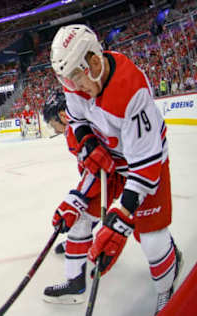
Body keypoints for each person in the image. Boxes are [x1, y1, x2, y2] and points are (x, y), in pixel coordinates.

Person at [50, 24, 182, 314]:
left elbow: (146, 168)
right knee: (81, 218)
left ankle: (166, 287)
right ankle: (75, 281)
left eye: (79, 81)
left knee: (151, 238)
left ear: (94, 62)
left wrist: (120, 220)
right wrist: (88, 144)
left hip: (145, 165)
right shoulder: (75, 78)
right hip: (110, 164)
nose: (77, 89)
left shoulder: (131, 90)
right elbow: (77, 120)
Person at [41, 91, 126, 304]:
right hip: (117, 173)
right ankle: (81, 245)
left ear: (62, 115)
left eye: (52, 122)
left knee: (80, 220)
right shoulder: (79, 123)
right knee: (86, 213)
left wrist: (75, 201)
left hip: (115, 176)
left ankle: (75, 282)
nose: (53, 128)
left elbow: (98, 170)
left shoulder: (74, 130)